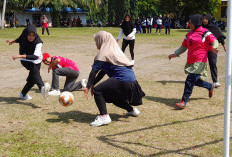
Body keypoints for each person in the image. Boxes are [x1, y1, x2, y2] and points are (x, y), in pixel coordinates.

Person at [82, 31, 145, 127]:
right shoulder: (116, 51)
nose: (96, 45)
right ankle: (132, 110)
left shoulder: (103, 53)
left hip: (122, 80)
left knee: (98, 91)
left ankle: (104, 117)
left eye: (97, 41)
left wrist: (88, 87)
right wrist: (93, 83)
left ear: (101, 40)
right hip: (132, 81)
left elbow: (94, 72)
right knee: (114, 97)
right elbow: (103, 71)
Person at [168, 14, 219, 109]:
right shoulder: (189, 34)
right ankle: (209, 86)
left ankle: (184, 101)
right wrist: (175, 54)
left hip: (200, 61)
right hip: (191, 61)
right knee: (196, 81)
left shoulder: (205, 32)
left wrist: (215, 47)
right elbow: (184, 46)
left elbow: (214, 40)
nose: (189, 24)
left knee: (189, 80)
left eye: (191, 22)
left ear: (196, 22)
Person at [6, 25, 50, 100]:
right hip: (25, 60)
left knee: (32, 79)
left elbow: (35, 57)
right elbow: (19, 39)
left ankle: (23, 94)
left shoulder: (38, 42)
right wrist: (12, 42)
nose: (31, 37)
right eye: (29, 35)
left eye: (33, 35)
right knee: (35, 72)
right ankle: (42, 88)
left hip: (36, 60)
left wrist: (19, 56)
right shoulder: (23, 37)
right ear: (26, 34)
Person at [202, 13, 226, 88]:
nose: (204, 20)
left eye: (206, 18)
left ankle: (215, 81)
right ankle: (200, 80)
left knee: (213, 64)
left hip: (212, 49)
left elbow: (220, 37)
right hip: (203, 49)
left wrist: (224, 47)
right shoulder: (200, 28)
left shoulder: (214, 27)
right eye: (203, 18)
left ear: (209, 19)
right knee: (201, 64)